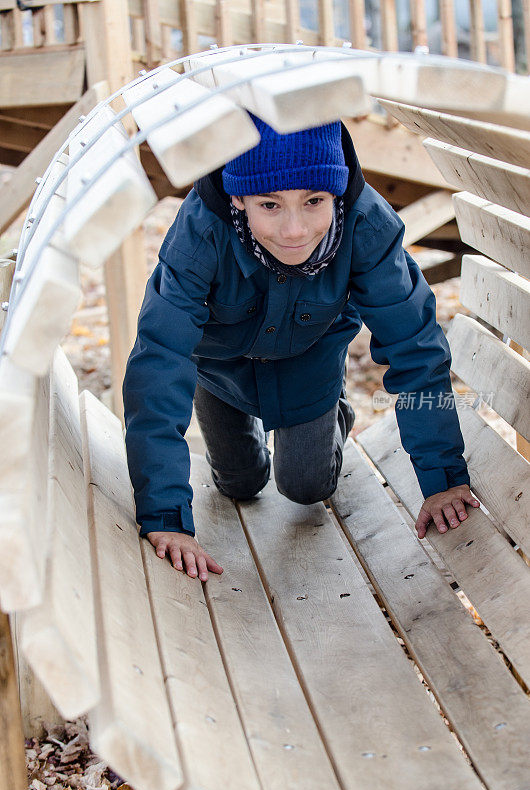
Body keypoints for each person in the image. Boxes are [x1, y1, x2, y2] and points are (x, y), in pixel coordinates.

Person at [122, 112, 480, 583]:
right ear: (239, 198)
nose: (294, 230)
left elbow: (415, 345)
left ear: (336, 192)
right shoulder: (200, 233)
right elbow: (159, 361)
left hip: (307, 362)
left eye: (313, 201)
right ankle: (236, 437)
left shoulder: (367, 225)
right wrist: (166, 518)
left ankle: (333, 411)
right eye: (269, 205)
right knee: (238, 484)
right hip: (220, 368)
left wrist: (443, 479)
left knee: (306, 487)